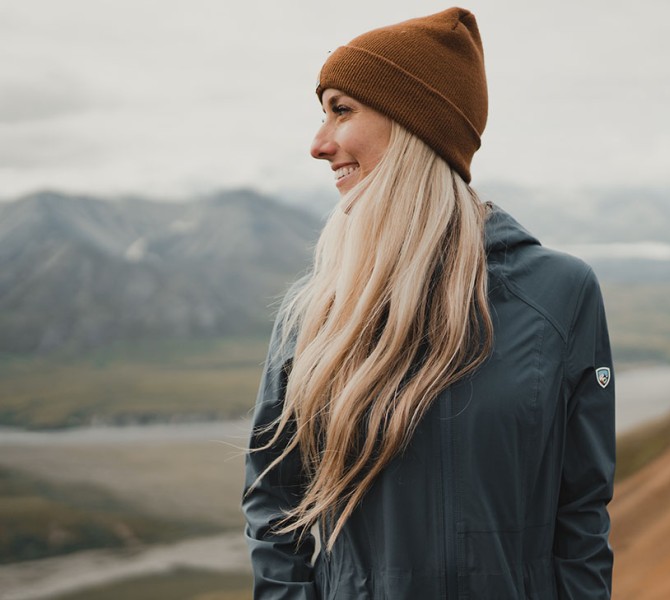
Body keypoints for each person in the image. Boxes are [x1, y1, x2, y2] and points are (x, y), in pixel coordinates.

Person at [242, 7, 615, 599]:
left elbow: (583, 512)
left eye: (341, 110)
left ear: (417, 125)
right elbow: (272, 502)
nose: (318, 144)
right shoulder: (316, 308)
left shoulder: (560, 294)